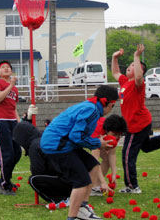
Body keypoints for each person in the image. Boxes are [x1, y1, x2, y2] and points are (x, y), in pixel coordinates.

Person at [111, 44, 160, 194]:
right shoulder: (125, 82)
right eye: (131, 64)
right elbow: (115, 72)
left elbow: (139, 76)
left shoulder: (138, 83)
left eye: (134, 66)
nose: (130, 66)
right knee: (145, 146)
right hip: (142, 122)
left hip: (137, 125)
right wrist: (114, 57)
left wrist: (137, 56)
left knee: (127, 155)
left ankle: (132, 186)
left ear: (140, 70)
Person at [40, 85, 118, 220]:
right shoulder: (91, 110)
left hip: (63, 142)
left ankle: (82, 208)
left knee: (93, 166)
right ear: (108, 103)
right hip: (57, 145)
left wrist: (96, 142)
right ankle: (72, 217)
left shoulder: (90, 107)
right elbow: (76, 136)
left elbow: (77, 136)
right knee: (81, 181)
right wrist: (98, 143)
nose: (112, 109)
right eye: (113, 105)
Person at [0, 60, 21, 196]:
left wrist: (20, 123)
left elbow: (14, 108)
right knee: (6, 154)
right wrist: (10, 86)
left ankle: (4, 179)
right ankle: (5, 184)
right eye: (3, 67)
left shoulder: (15, 88)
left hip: (12, 121)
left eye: (8, 67)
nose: (6, 69)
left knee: (17, 153)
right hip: (1, 121)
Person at [90, 115, 128, 196]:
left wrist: (114, 173)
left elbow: (112, 154)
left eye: (119, 135)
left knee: (107, 159)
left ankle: (95, 187)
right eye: (115, 134)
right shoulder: (97, 130)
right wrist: (103, 182)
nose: (117, 137)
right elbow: (95, 161)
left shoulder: (116, 133)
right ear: (107, 130)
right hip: (80, 138)